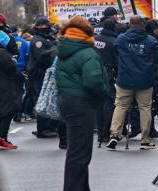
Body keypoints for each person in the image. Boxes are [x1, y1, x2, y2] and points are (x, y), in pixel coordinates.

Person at [55, 16, 110, 191]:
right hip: (82, 103)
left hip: (67, 100)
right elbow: (93, 81)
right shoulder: (87, 52)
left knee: (76, 150)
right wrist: (104, 94)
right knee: (80, 153)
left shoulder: (64, 49)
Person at [106, 15, 158, 151]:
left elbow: (115, 53)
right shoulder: (150, 40)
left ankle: (114, 134)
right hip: (145, 79)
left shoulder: (121, 39)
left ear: (130, 24)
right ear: (143, 24)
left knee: (120, 106)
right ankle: (145, 139)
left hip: (125, 78)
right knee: (145, 108)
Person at [28, 17, 58, 138]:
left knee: (47, 99)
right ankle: (42, 128)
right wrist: (53, 52)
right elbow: (42, 58)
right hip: (39, 74)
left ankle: (49, 126)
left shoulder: (46, 38)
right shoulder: (37, 41)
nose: (49, 27)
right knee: (42, 100)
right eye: (47, 25)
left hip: (45, 73)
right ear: (40, 26)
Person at [94, 18, 119, 143]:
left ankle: (99, 131)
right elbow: (117, 61)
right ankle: (105, 132)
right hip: (107, 74)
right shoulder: (114, 41)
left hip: (93, 72)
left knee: (98, 103)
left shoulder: (94, 39)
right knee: (108, 103)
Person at [10, 25, 30, 122]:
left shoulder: (6, 42)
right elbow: (28, 56)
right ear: (17, 31)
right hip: (21, 69)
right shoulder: (24, 42)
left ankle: (12, 111)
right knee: (19, 91)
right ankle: (18, 112)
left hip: (9, 69)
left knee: (11, 91)